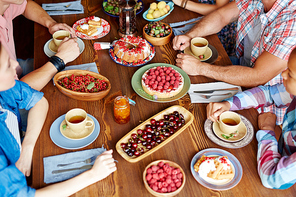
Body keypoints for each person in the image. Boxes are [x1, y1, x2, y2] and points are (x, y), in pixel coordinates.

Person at [0, 43, 117, 196]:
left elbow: (39, 102)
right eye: (8, 65)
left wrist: (27, 148)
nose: (15, 63)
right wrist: (93, 174)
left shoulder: (6, 89)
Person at [173, 0, 296, 124]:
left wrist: (200, 68)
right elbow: (221, 16)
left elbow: (257, 76)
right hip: (239, 67)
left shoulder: (292, 21)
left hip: (263, 106)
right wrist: (190, 35)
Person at [206, 47, 296, 189]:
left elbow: (271, 178)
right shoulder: (293, 94)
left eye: (290, 74)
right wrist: (229, 104)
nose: (283, 74)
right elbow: (268, 94)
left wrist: (267, 130)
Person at [0, 0, 80, 91]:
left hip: (17, 67)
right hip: (14, 87)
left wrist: (51, 23)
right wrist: (60, 59)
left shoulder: (6, 4)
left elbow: (26, 6)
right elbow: (18, 93)